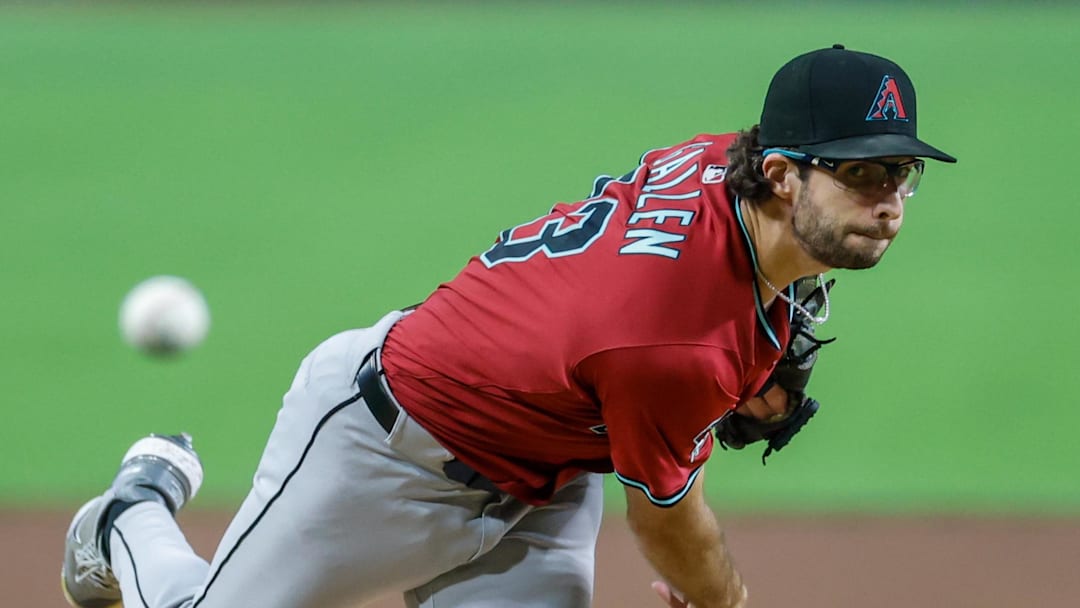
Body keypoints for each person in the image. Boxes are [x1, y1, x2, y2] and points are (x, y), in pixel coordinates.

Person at [61, 44, 955, 608]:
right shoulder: (669, 344)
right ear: (788, 175)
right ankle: (130, 515)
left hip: (544, 480)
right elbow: (671, 527)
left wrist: (762, 328)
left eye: (902, 172)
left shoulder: (729, 165)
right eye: (863, 175)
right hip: (381, 450)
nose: (890, 202)